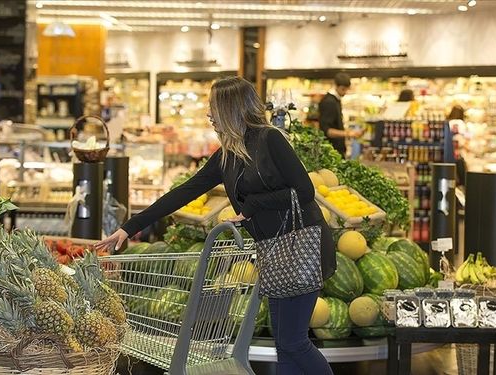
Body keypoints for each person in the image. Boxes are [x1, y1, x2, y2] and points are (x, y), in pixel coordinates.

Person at [95, 76, 336, 375]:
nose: (209, 115)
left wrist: (252, 207)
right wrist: (128, 228)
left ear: (230, 109)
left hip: (302, 247)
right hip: (273, 251)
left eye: (213, 108)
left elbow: (305, 191)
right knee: (285, 343)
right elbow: (183, 192)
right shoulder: (226, 157)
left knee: (294, 342)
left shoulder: (270, 139)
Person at [319, 72, 363, 156]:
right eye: (343, 89)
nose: (345, 92)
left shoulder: (336, 100)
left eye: (347, 89)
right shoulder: (329, 102)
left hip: (335, 150)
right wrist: (348, 133)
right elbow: (327, 131)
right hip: (331, 151)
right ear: (336, 85)